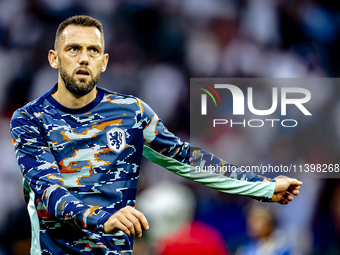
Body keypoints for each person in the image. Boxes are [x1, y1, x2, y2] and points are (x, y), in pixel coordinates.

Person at [10, 15, 302, 255]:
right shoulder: (29, 119)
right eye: (73, 49)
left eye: (93, 50)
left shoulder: (131, 113)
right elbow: (50, 191)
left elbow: (187, 159)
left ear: (105, 61)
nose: (84, 58)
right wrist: (103, 218)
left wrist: (261, 187)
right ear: (54, 58)